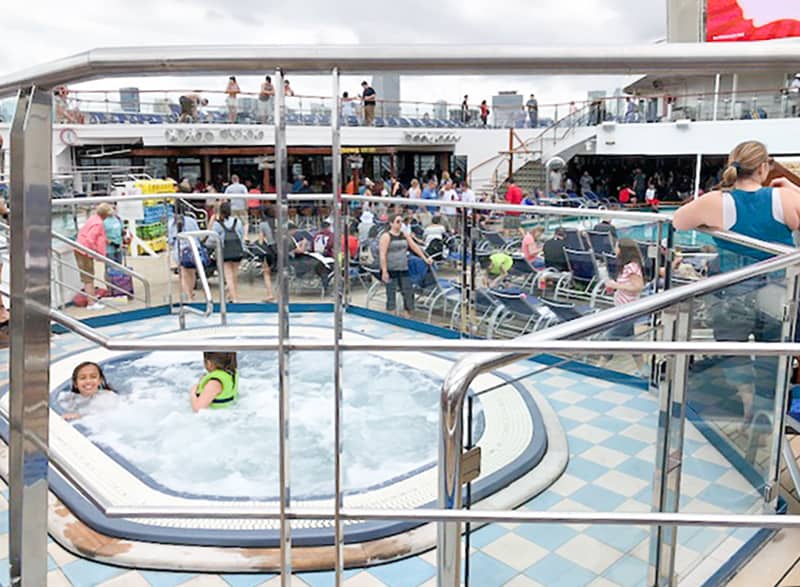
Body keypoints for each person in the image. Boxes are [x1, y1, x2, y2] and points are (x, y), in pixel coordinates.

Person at [673, 140, 800, 419]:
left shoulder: (715, 201)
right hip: (777, 293)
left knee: (734, 352)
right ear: (764, 167)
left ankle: (747, 405)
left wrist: (714, 227)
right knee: (774, 353)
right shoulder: (785, 199)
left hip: (731, 294)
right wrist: (793, 188)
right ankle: (770, 413)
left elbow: (678, 222)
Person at [604, 238, 646, 375]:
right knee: (631, 343)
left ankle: (598, 367)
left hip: (628, 312)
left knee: (609, 339)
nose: (615, 250)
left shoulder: (631, 267)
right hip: (623, 309)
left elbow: (638, 287)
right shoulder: (626, 266)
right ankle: (645, 372)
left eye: (617, 247)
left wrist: (615, 285)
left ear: (623, 250)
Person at [379, 213, 432, 317]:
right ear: (391, 223)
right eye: (397, 222)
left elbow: (414, 247)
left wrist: (425, 258)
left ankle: (408, 312)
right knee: (391, 292)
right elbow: (382, 254)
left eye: (401, 222)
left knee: (408, 291)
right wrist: (384, 271)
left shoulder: (404, 235)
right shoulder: (386, 236)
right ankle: (391, 313)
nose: (400, 224)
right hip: (391, 268)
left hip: (403, 267)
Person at [76, 203, 114, 310]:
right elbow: (90, 239)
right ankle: (91, 303)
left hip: (81, 248)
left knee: (88, 277)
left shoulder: (93, 219)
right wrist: (95, 252)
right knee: (88, 277)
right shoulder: (98, 223)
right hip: (84, 251)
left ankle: (91, 298)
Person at [168, 200, 203, 302]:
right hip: (193, 250)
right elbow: (198, 236)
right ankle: (191, 293)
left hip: (179, 251)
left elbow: (170, 240)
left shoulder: (171, 223)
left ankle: (187, 296)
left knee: (183, 274)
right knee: (191, 274)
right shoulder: (191, 221)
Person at [212, 202, 245, 303]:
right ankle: (231, 295)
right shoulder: (237, 221)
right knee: (234, 275)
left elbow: (213, 238)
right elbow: (241, 235)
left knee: (229, 276)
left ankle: (234, 298)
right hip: (237, 250)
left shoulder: (217, 224)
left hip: (225, 251)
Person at [257, 207, 277, 302]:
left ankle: (270, 294)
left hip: (271, 248)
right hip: (282, 248)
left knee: (266, 272)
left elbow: (261, 241)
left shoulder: (263, 224)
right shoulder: (281, 221)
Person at [224, 174, 250, 239]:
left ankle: (236, 235)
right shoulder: (243, 187)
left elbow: (225, 198)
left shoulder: (229, 188)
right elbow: (246, 197)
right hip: (242, 207)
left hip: (233, 207)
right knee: (245, 222)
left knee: (234, 222)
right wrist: (247, 205)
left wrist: (227, 206)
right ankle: (245, 236)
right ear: (238, 179)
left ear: (232, 180)